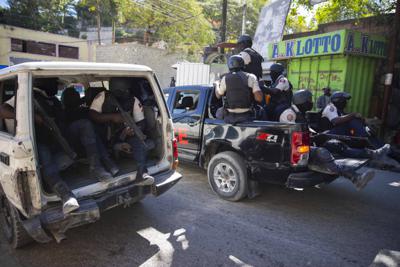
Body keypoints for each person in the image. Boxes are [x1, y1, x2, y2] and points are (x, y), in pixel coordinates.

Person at [278, 89, 392, 190]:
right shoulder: (289, 114)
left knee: (335, 144)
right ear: (302, 101)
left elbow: (306, 130)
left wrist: (317, 135)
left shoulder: (300, 113)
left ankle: (374, 154)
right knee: (322, 152)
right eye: (309, 100)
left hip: (307, 142)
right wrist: (313, 138)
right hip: (294, 149)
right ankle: (355, 178)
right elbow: (289, 136)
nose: (311, 102)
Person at [0, 78, 80, 214]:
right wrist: (30, 116)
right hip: (37, 142)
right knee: (47, 163)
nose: (55, 88)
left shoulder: (54, 101)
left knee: (68, 157)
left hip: (55, 139)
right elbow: (2, 110)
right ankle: (66, 196)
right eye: (53, 84)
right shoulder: (28, 97)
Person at [88, 77, 154, 186]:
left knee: (140, 141)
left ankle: (142, 173)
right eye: (123, 90)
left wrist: (133, 130)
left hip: (123, 133)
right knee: (92, 132)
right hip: (104, 132)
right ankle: (106, 165)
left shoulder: (133, 100)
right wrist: (112, 117)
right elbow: (92, 114)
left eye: (127, 90)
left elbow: (141, 122)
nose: (126, 92)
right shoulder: (103, 96)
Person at [61, 87, 119, 180]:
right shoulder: (64, 113)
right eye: (73, 94)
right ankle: (96, 167)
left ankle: (106, 160)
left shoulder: (84, 109)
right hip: (72, 142)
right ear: (66, 99)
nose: (77, 95)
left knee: (92, 129)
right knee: (86, 124)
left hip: (89, 140)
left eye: (76, 93)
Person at [215, 55, 263, 124]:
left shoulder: (225, 78)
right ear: (242, 65)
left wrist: (217, 85)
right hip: (247, 116)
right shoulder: (251, 77)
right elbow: (259, 98)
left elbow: (218, 95)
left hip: (229, 117)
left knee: (218, 112)